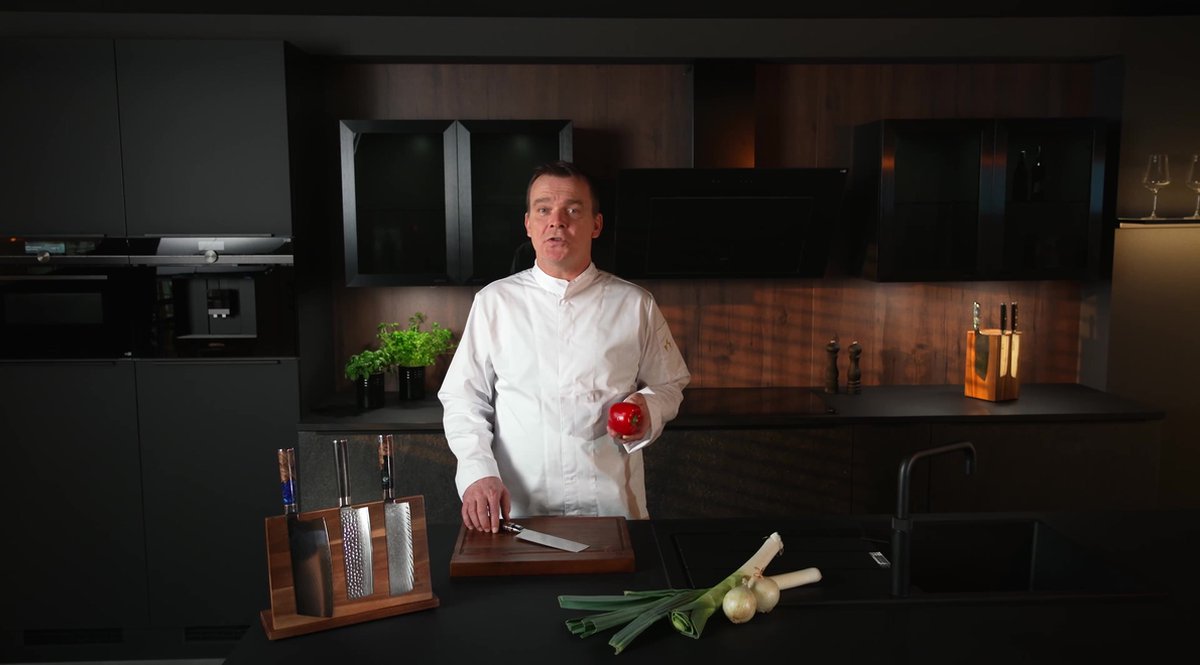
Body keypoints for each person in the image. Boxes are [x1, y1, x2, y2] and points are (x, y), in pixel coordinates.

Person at [439, 160, 691, 532]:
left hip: (611, 508)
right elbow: (463, 399)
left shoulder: (635, 304)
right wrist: (478, 472)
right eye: (544, 210)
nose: (556, 222)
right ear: (528, 224)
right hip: (519, 510)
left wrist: (647, 408)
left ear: (596, 224)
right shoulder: (495, 302)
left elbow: (671, 384)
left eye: (572, 210)